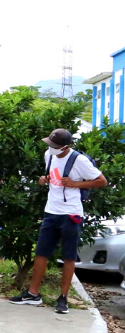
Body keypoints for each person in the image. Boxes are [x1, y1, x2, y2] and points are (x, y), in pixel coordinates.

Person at [11, 128, 107, 313]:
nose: (51, 148)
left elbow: (101, 180)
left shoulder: (79, 160)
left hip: (71, 213)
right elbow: (52, 175)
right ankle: (33, 294)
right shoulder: (49, 154)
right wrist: (44, 180)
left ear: (66, 146)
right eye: (50, 144)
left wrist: (76, 184)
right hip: (51, 211)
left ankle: (62, 298)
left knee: (68, 256)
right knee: (41, 252)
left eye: (55, 146)